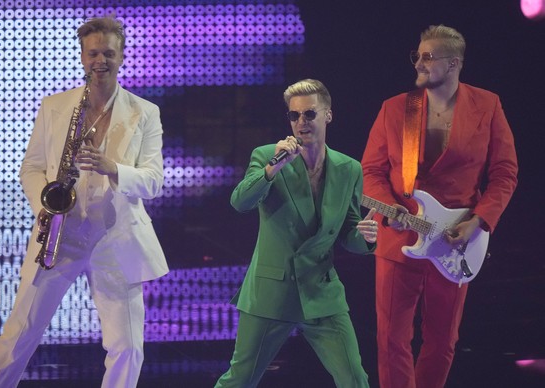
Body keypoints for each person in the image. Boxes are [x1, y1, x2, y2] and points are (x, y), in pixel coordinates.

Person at [0, 16, 169, 388]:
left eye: (108, 53)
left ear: (122, 56)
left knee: (127, 346)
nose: (100, 61)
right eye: (93, 53)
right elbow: (31, 167)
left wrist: (114, 168)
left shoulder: (145, 112)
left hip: (115, 238)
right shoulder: (55, 106)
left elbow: (153, 181)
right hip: (59, 233)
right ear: (82, 56)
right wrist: (43, 206)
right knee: (18, 335)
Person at [361, 24, 518, 388]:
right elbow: (372, 170)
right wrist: (389, 209)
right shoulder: (396, 108)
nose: (419, 62)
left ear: (454, 64)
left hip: (456, 239)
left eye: (428, 56)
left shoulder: (488, 105)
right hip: (400, 240)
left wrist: (478, 222)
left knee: (443, 341)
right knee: (391, 339)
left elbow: (505, 172)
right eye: (417, 55)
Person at [215, 79, 378, 388]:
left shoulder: (349, 169)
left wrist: (367, 238)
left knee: (355, 379)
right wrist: (273, 169)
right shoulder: (267, 156)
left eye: (310, 114)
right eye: (294, 115)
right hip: (273, 291)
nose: (301, 122)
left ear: (328, 115)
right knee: (240, 379)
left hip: (321, 291)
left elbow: (348, 231)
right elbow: (240, 202)